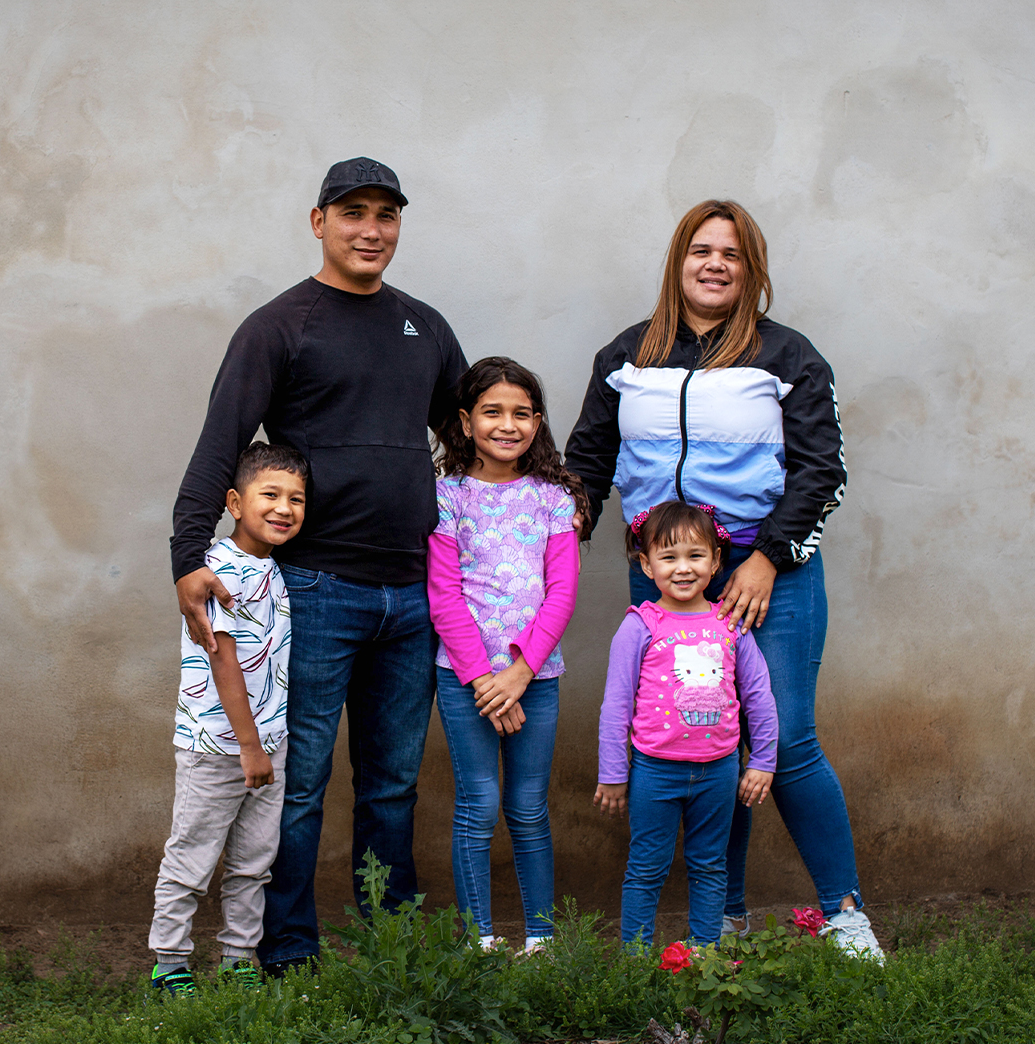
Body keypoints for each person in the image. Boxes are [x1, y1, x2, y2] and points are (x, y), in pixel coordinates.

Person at [170, 158, 468, 975]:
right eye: (353, 213)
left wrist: (546, 501)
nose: (371, 230)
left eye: (387, 215)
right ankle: (288, 949)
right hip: (313, 590)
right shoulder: (281, 325)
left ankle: (388, 944)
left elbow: (474, 437)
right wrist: (187, 557)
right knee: (296, 786)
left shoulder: (426, 328)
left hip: (410, 595)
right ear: (319, 222)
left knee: (392, 784)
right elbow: (220, 442)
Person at [564, 199, 883, 960]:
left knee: (789, 742)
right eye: (701, 250)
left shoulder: (788, 356)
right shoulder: (626, 355)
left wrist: (770, 559)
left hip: (765, 572)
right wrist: (535, 541)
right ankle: (728, 917)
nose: (715, 264)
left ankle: (847, 915)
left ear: (752, 270)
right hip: (668, 579)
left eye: (732, 255)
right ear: (678, 261)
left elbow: (822, 472)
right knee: (705, 742)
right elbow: (584, 467)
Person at [426, 357, 584, 953]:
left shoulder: (553, 498)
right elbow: (443, 597)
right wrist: (484, 680)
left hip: (535, 678)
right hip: (466, 679)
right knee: (479, 804)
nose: (507, 424)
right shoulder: (447, 497)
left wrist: (519, 673)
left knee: (527, 807)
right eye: (492, 412)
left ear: (538, 423)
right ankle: (479, 942)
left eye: (522, 413)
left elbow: (563, 592)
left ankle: (541, 942)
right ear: (466, 422)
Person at [149, 442, 307, 996]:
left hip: (268, 744)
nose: (284, 508)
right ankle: (169, 966)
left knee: (253, 862)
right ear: (236, 503)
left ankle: (239, 958)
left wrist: (266, 744)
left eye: (296, 499)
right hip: (218, 746)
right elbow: (225, 663)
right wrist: (249, 745)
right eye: (271, 495)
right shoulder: (217, 569)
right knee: (191, 857)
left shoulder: (274, 570)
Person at [593, 500, 776, 946]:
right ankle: (635, 964)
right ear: (646, 563)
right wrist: (614, 774)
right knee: (646, 868)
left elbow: (759, 697)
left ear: (716, 561)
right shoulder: (639, 627)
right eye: (668, 556)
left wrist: (763, 761)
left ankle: (704, 959)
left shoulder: (731, 625)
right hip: (655, 773)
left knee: (711, 866)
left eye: (695, 556)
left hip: (719, 772)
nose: (682, 568)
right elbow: (615, 705)